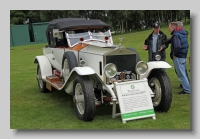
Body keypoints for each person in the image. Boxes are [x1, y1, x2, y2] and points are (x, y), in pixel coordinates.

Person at [168, 21, 190, 94]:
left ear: (173, 27)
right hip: (183, 56)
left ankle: (187, 90)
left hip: (178, 57)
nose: (168, 29)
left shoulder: (176, 35)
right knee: (184, 73)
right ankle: (187, 86)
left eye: (169, 27)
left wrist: (174, 54)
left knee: (181, 75)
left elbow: (177, 46)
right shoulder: (182, 33)